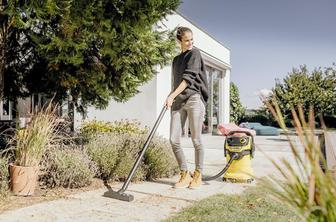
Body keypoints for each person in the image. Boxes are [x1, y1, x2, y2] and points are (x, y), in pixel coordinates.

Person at [165, 26, 208, 189]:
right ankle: (184, 174)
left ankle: (198, 174)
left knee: (196, 139)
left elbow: (188, 79)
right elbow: (177, 82)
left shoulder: (194, 54)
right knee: (174, 139)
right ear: (179, 41)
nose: (190, 43)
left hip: (193, 99)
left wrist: (172, 95)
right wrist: (171, 96)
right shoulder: (176, 60)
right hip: (178, 101)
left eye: (192, 39)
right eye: (186, 40)